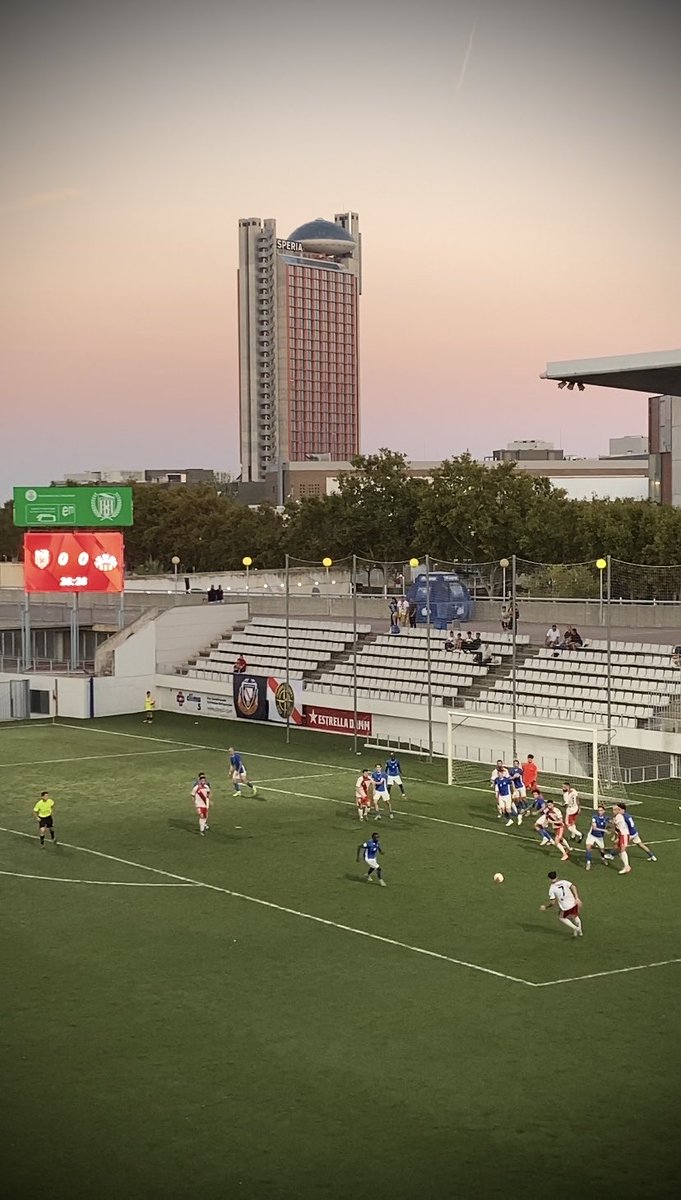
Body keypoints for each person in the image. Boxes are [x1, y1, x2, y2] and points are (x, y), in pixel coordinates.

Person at [540, 871, 583, 938]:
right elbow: (573, 886)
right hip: (573, 903)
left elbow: (552, 902)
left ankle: (576, 928)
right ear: (557, 876)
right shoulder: (564, 882)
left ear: (549, 879)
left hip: (565, 907)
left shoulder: (552, 888)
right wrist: (577, 898)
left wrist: (546, 907)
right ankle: (580, 932)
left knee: (561, 918)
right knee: (575, 916)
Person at [585, 804, 610, 869]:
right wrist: (604, 830)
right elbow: (594, 828)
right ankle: (588, 862)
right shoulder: (594, 817)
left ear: (604, 811)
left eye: (601, 810)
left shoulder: (606, 818)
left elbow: (612, 823)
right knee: (588, 847)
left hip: (600, 837)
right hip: (592, 835)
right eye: (598, 811)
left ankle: (603, 858)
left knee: (602, 850)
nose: (599, 812)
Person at [611, 803, 632, 874]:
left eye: (614, 810)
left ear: (618, 810)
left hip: (624, 834)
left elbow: (614, 824)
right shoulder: (617, 816)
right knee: (620, 850)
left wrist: (607, 822)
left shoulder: (619, 816)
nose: (613, 811)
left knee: (622, 850)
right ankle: (626, 866)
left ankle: (627, 867)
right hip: (621, 834)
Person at [509, 759, 527, 825]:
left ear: (518, 764)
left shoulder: (520, 770)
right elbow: (511, 778)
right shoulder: (511, 770)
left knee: (523, 798)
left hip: (521, 786)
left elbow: (518, 776)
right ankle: (517, 810)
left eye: (516, 763)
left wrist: (513, 777)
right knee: (514, 799)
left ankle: (526, 808)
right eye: (514, 763)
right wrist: (512, 778)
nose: (515, 764)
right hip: (516, 787)